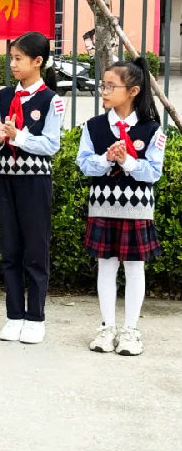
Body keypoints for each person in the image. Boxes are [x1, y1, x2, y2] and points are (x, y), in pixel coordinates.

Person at [76, 57, 165, 356]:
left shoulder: (152, 129)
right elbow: (84, 164)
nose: (103, 91)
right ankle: (107, 326)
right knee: (106, 266)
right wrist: (107, 158)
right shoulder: (94, 127)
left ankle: (130, 330)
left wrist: (127, 161)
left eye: (110, 86)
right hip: (103, 207)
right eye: (103, 85)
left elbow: (153, 172)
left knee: (135, 268)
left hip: (137, 209)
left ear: (133, 91)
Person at [0, 32, 64, 344]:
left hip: (34, 181)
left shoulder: (51, 100)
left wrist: (18, 136)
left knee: (35, 250)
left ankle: (35, 317)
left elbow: (51, 145)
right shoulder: (5, 96)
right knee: (10, 249)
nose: (13, 64)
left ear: (38, 61)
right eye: (12, 58)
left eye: (19, 58)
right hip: (6, 178)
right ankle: (14, 315)